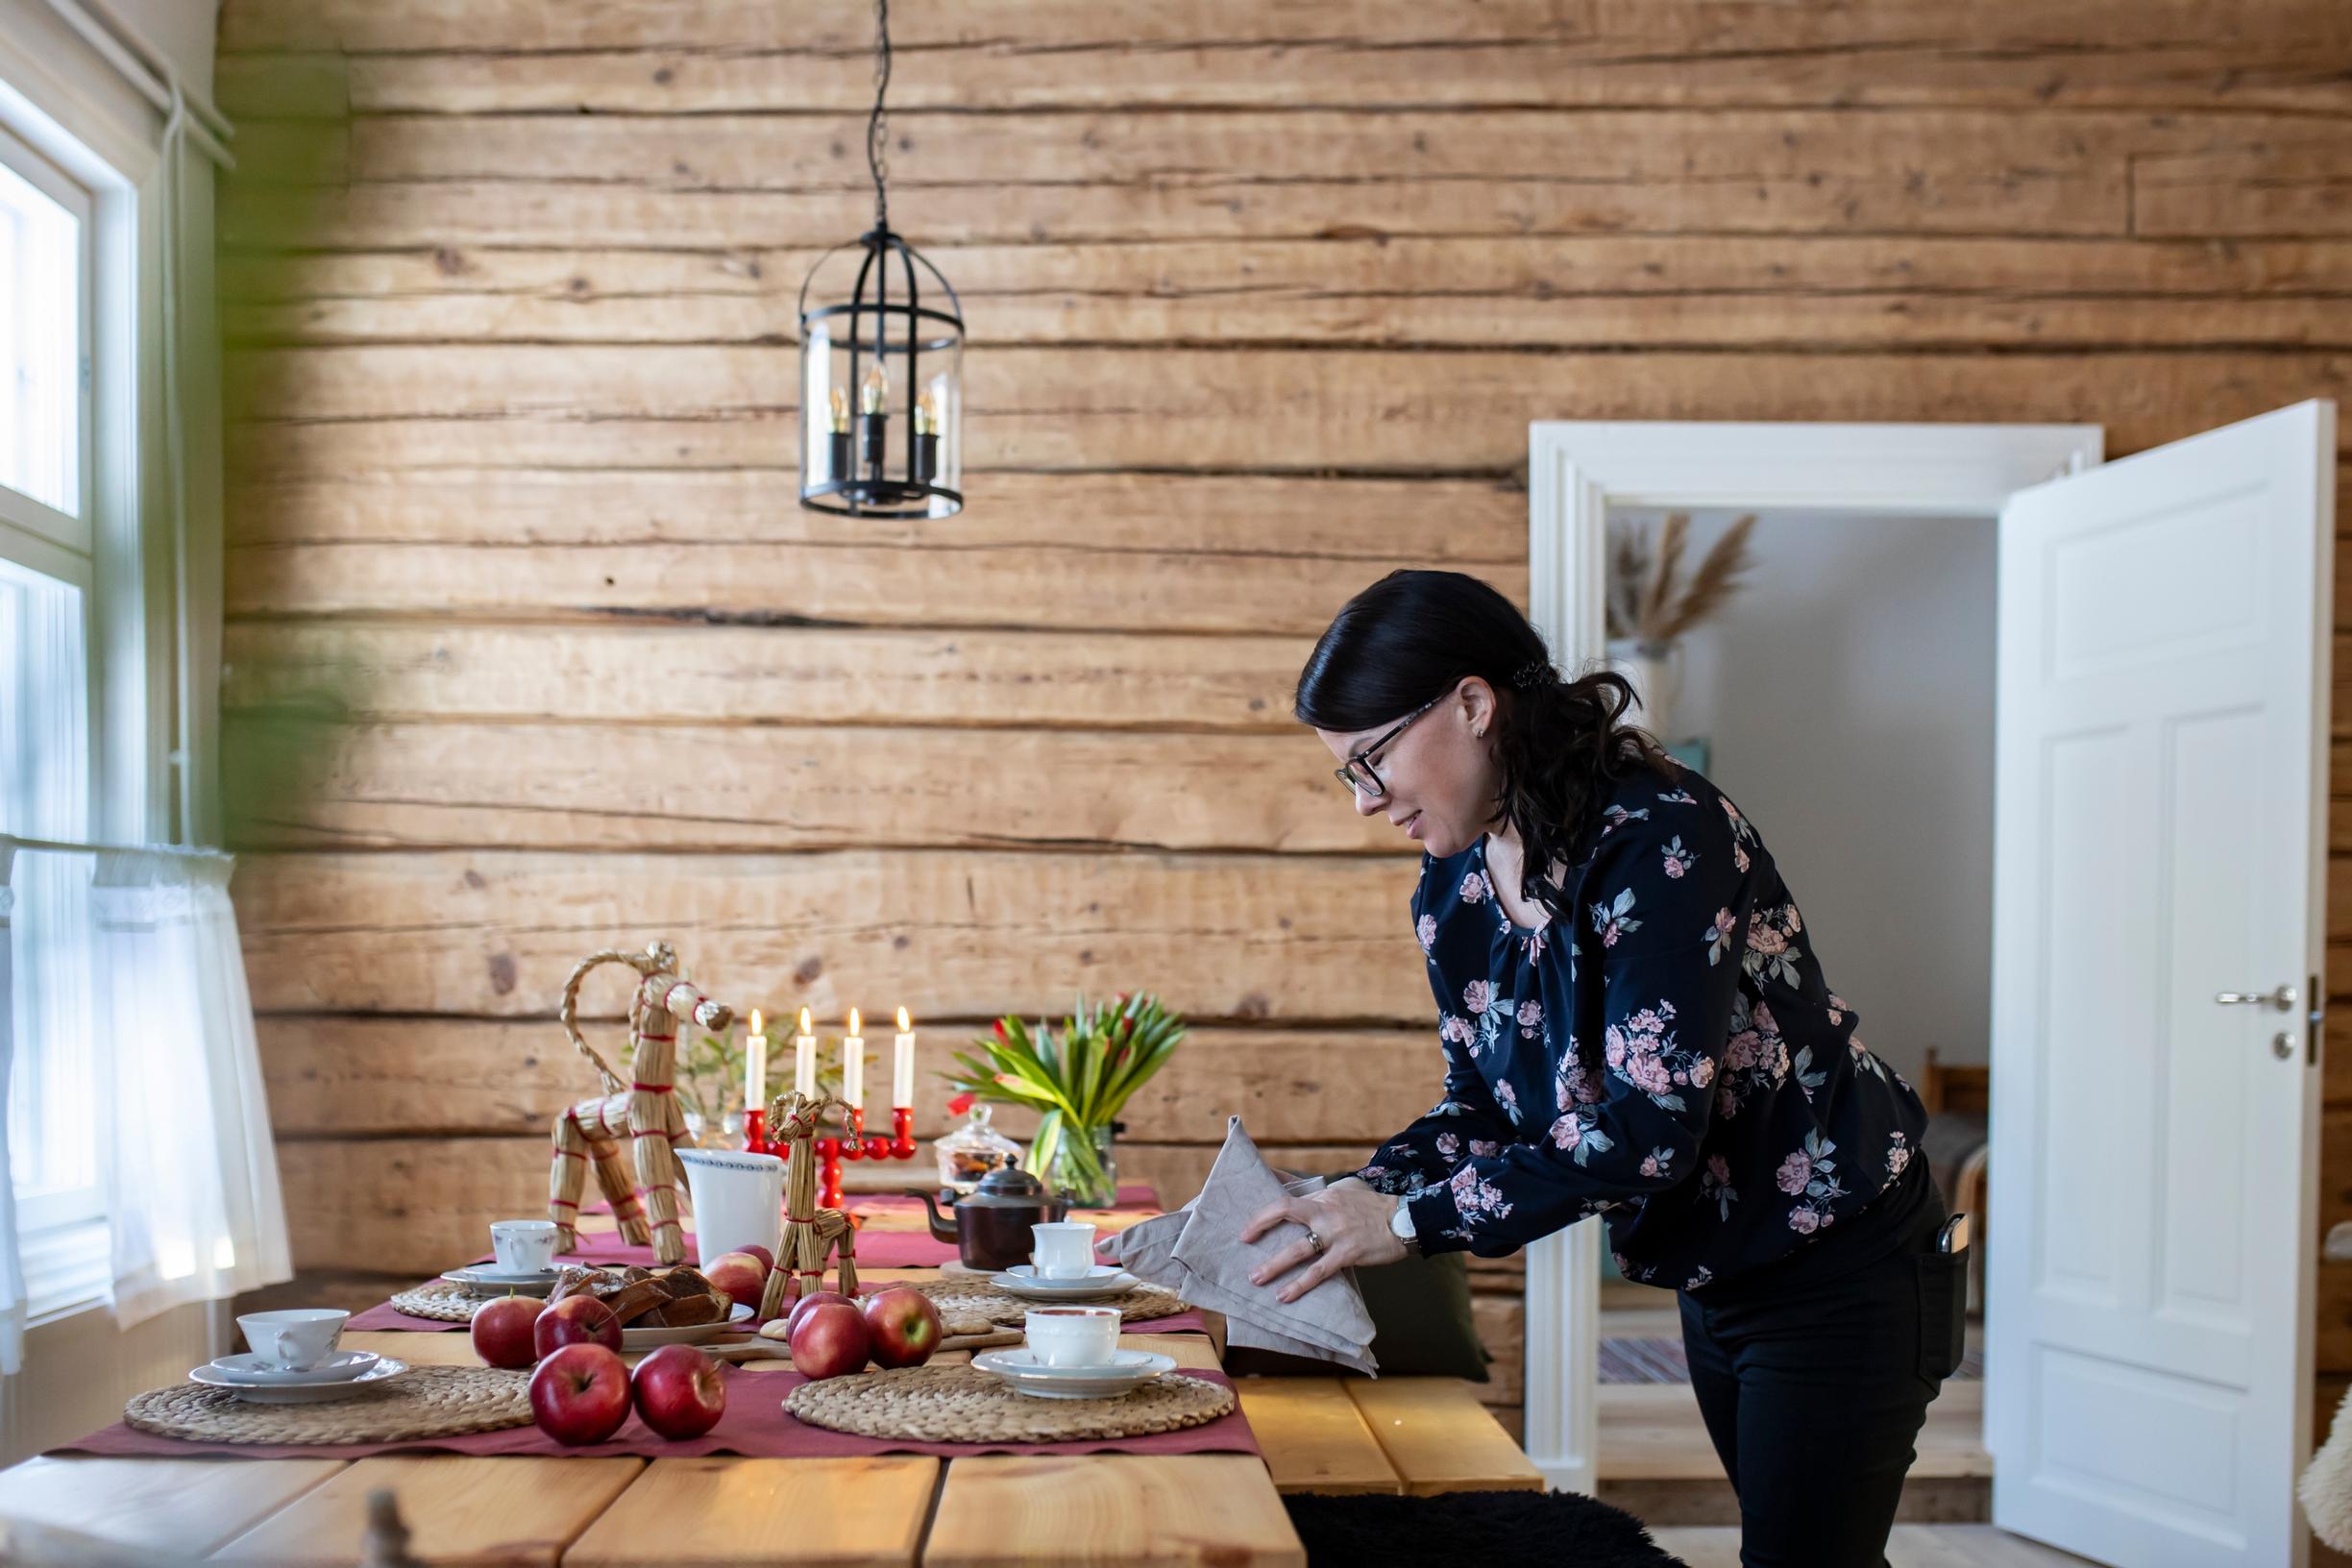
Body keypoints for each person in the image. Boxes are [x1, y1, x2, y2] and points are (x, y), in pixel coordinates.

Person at [1241, 569, 1968, 1568]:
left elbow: (1646, 1132)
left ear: (1472, 703)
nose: (1367, 804)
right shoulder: (1451, 889)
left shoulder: (1661, 831)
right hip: (1720, 1270)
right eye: (1347, 776)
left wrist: (1407, 1225)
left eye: (1372, 762)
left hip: (1843, 1259)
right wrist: (1356, 1193)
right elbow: (1485, 1110)